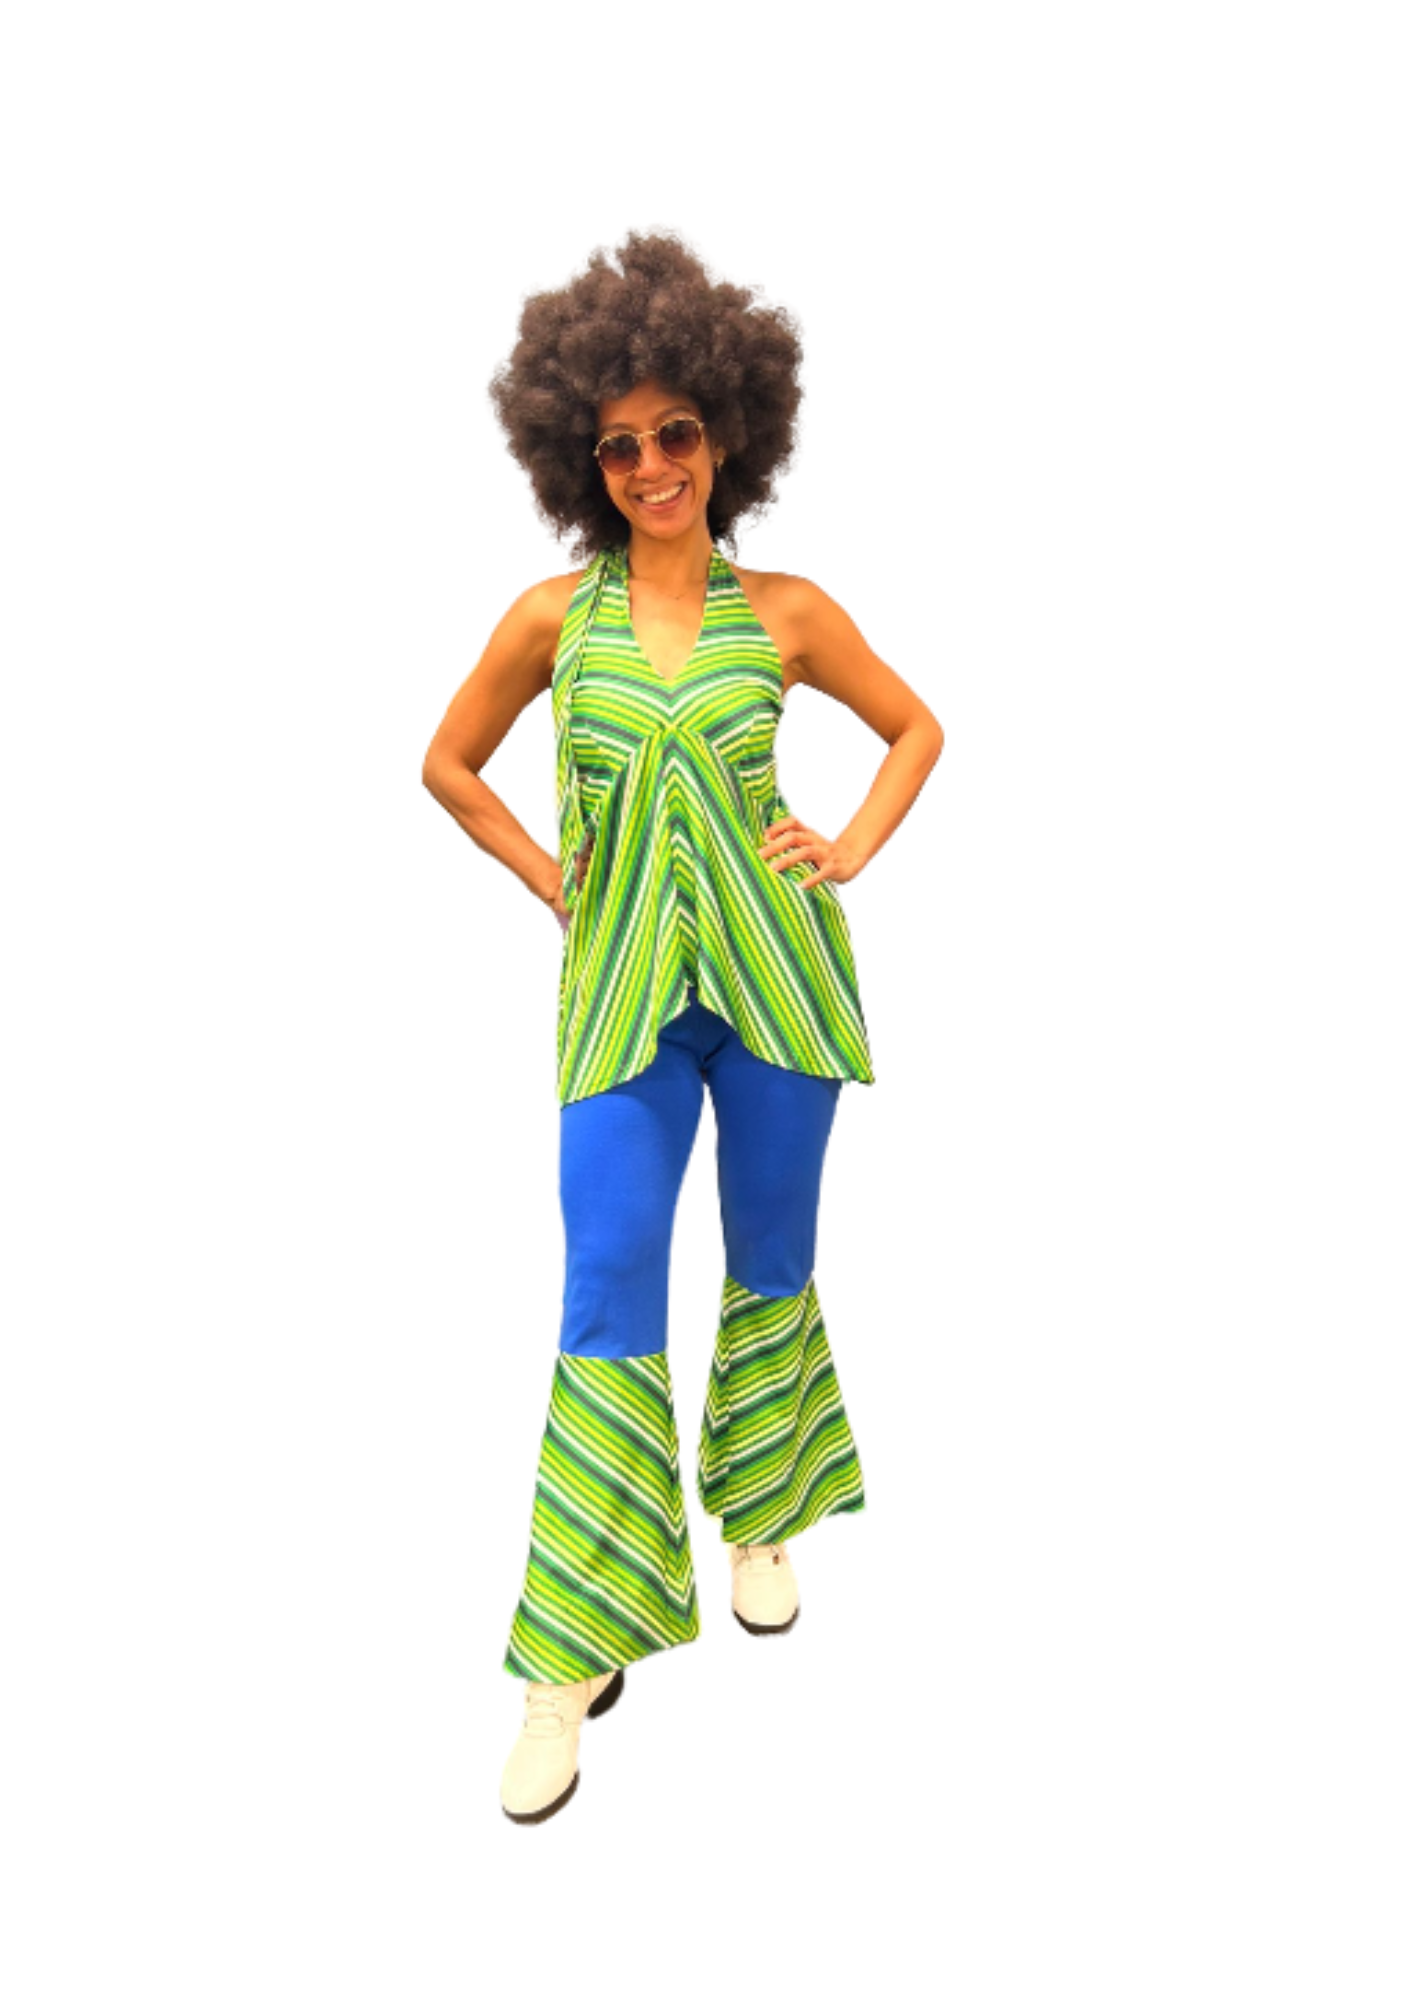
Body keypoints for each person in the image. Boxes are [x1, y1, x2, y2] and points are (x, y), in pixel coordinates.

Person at [422, 230, 945, 1824]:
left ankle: (761, 1510)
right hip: (623, 998)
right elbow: (446, 764)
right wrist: (550, 877)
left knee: (772, 1256)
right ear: (580, 463)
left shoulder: (785, 610)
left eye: (678, 433)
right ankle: (570, 1652)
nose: (652, 465)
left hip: (778, 982)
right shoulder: (548, 618)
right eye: (619, 445)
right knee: (604, 1285)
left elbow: (916, 726)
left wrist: (846, 849)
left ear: (729, 435)